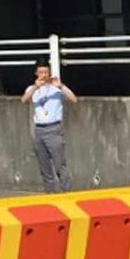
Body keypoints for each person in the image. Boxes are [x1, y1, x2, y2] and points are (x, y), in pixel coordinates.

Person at [22, 62, 77, 193]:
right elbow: (24, 100)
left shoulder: (56, 89)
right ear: (36, 73)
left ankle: (67, 191)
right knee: (44, 167)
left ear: (50, 72)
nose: (43, 75)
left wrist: (61, 86)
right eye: (40, 72)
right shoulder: (32, 89)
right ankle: (49, 193)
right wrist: (36, 86)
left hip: (54, 129)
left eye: (46, 72)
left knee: (60, 164)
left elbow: (74, 99)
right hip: (39, 130)